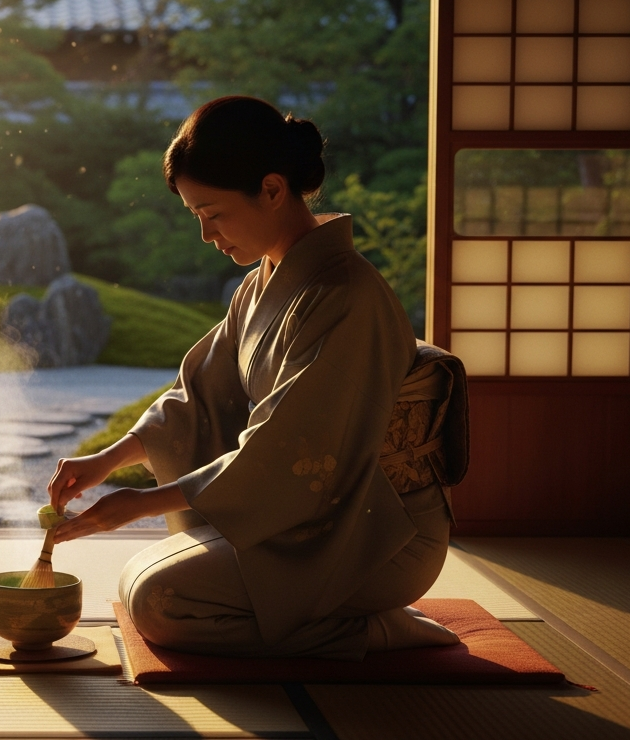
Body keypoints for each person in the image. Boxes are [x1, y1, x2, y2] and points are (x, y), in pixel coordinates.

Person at [45, 96, 462, 661]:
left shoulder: (346, 295)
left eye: (212, 213)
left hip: (377, 532)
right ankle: (332, 619)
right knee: (137, 581)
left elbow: (287, 452)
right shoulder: (262, 282)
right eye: (196, 216)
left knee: (161, 603)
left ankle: (373, 631)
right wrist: (108, 459)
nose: (205, 234)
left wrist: (139, 503)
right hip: (312, 516)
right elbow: (197, 401)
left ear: (271, 189)